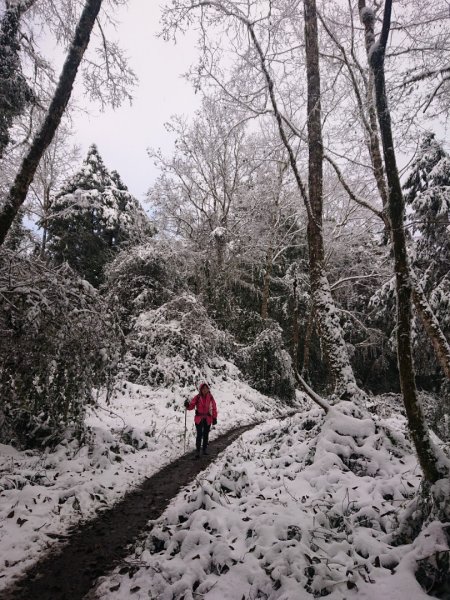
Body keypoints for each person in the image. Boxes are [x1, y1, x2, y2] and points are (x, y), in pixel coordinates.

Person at [184, 382, 218, 458]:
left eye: (206, 389)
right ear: (201, 390)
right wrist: (187, 405)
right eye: (203, 389)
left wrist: (214, 418)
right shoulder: (197, 397)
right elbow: (192, 406)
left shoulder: (211, 397)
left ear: (208, 389)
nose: (205, 390)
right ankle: (198, 451)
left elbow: (214, 408)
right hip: (199, 418)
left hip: (208, 418)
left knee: (206, 434)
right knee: (199, 434)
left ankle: (204, 450)